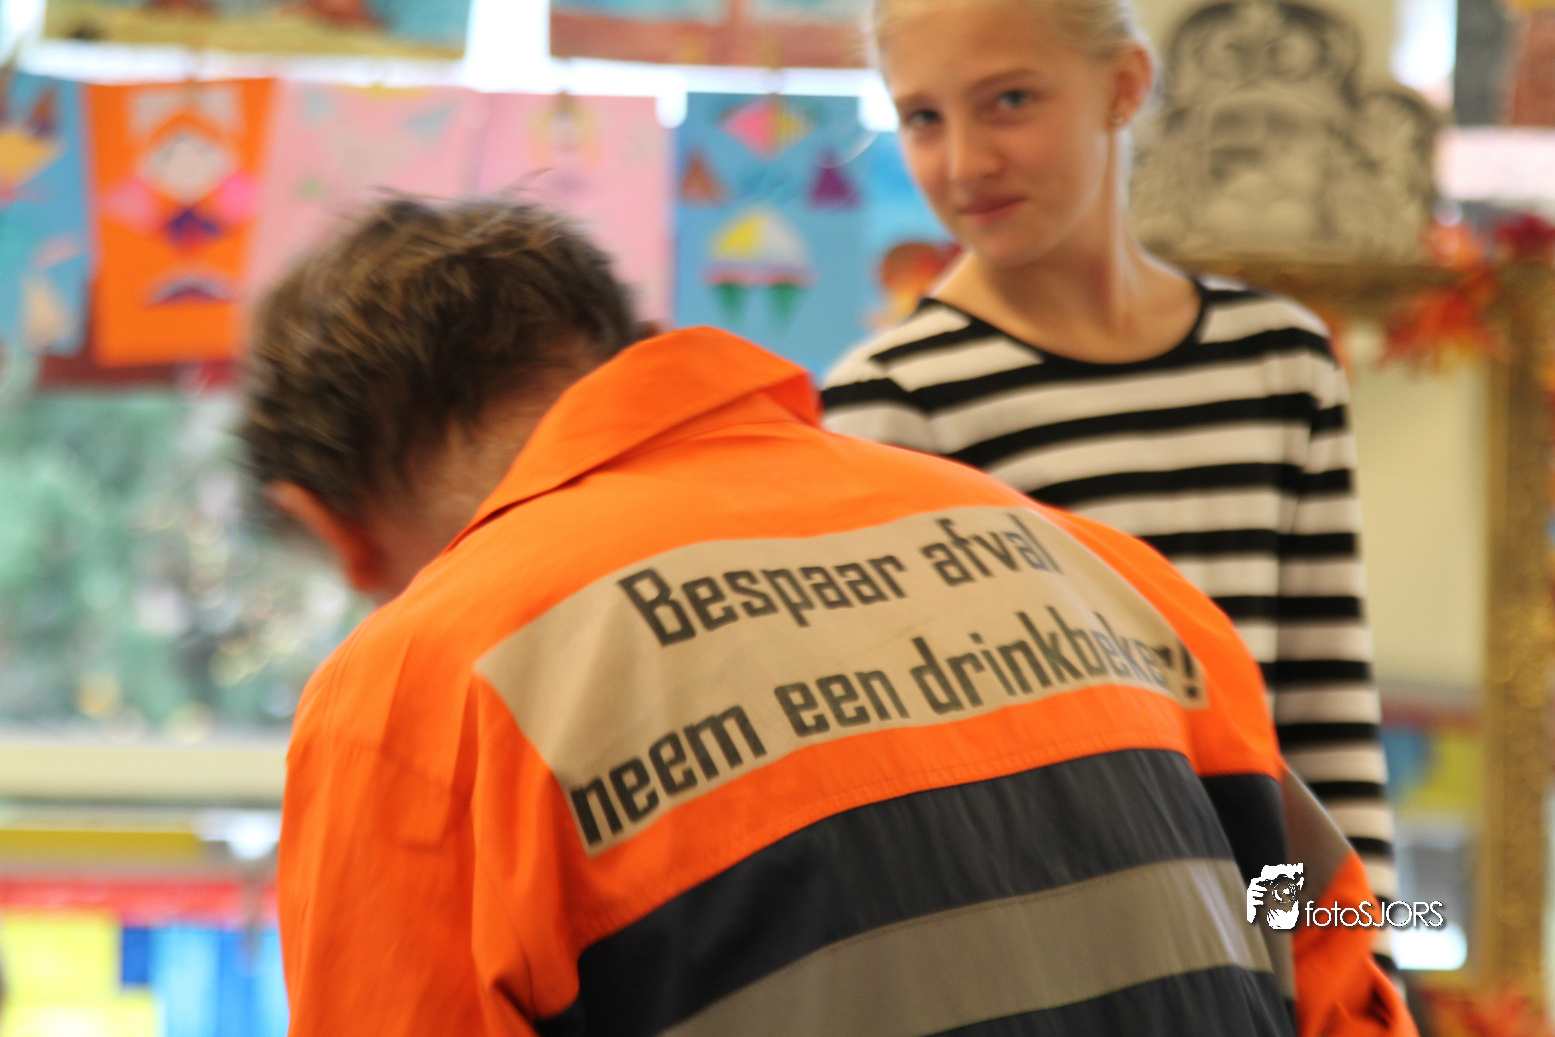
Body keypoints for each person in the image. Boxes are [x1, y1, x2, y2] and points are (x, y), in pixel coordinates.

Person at [242, 195, 1411, 1036]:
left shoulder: (420, 686)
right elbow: (1324, 924)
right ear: (608, 351)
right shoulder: (1106, 572)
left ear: (337, 529)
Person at [819, 0, 1397, 936]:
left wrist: (1342, 962)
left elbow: (1323, 729)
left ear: (1123, 86)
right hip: (1058, 959)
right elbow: (920, 786)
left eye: (1009, 100)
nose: (964, 162)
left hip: (1268, 955)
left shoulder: (1278, 360)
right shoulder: (886, 404)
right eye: (922, 116)